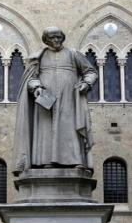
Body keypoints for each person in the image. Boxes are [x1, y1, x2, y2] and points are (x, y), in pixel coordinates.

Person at [12, 27, 98, 176]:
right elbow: (31, 78)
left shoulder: (73, 54)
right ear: (46, 40)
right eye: (52, 38)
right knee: (46, 130)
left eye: (59, 37)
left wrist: (86, 83)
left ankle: (76, 161)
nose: (56, 40)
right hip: (45, 101)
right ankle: (46, 161)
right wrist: (36, 87)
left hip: (70, 98)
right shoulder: (39, 57)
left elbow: (90, 72)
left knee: (70, 127)